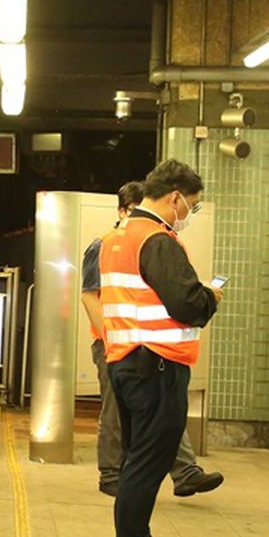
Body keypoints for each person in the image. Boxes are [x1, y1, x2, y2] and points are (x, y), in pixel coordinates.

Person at [99, 160, 220, 537]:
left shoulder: (117, 236)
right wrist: (211, 298)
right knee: (149, 461)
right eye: (193, 205)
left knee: (137, 458)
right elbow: (186, 303)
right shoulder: (157, 239)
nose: (191, 213)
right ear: (175, 198)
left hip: (127, 362)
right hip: (157, 366)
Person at [82, 182, 224, 500]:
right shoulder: (103, 245)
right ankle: (112, 474)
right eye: (132, 212)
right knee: (116, 412)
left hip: (146, 346)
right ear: (121, 211)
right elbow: (90, 296)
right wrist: (109, 338)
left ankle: (185, 472)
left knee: (163, 413)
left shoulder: (158, 242)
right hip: (115, 344)